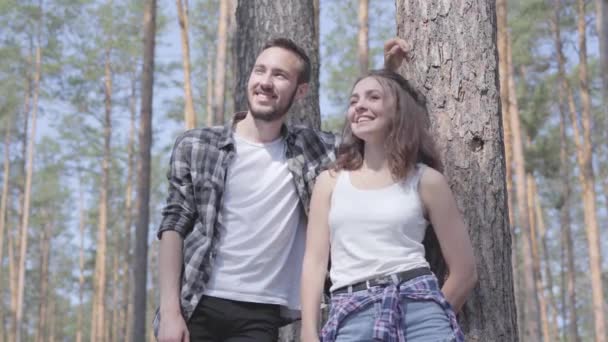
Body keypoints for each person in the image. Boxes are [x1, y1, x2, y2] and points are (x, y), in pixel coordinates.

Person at [156, 37, 409, 342]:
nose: (265, 82)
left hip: (260, 315)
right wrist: (170, 312)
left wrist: (388, 74)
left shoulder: (315, 150)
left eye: (279, 75)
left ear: (300, 91)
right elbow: (173, 226)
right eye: (259, 71)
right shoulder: (197, 145)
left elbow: (370, 133)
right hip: (197, 305)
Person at [300, 70, 477, 342]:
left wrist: (434, 315)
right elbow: (314, 263)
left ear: (398, 110)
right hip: (350, 314)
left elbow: (464, 270)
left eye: (373, 97)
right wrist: (308, 333)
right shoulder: (330, 182)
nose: (359, 106)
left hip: (419, 309)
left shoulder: (427, 180)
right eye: (354, 100)